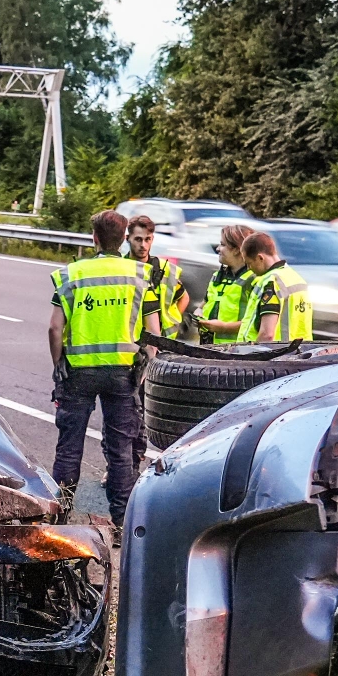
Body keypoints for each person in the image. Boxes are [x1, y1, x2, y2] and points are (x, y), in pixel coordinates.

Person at [47, 209, 147, 520]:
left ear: (94, 239)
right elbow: (154, 332)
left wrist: (58, 363)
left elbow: (54, 328)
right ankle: (120, 522)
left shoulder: (71, 274)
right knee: (120, 451)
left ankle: (61, 517)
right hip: (123, 372)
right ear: (125, 239)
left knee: (68, 447)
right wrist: (143, 368)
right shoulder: (139, 275)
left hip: (78, 373)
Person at [125, 214, 194, 469]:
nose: (143, 245)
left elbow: (182, 297)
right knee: (132, 410)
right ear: (127, 239)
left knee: (155, 410)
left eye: (148, 239)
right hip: (133, 349)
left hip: (161, 350)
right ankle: (129, 463)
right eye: (138, 239)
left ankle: (149, 461)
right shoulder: (123, 268)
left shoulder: (164, 270)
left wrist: (170, 323)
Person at [240, 231, 314, 343]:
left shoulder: (271, 282)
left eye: (249, 263)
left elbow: (267, 334)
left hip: (274, 354)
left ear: (260, 258)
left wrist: (254, 355)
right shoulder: (296, 278)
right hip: (300, 352)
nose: (249, 268)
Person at [200, 225, 258, 345]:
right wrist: (198, 313)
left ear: (237, 249)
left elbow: (256, 322)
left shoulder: (253, 280)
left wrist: (224, 327)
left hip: (236, 350)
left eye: (223, 244)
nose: (218, 249)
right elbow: (203, 305)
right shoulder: (218, 276)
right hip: (209, 346)